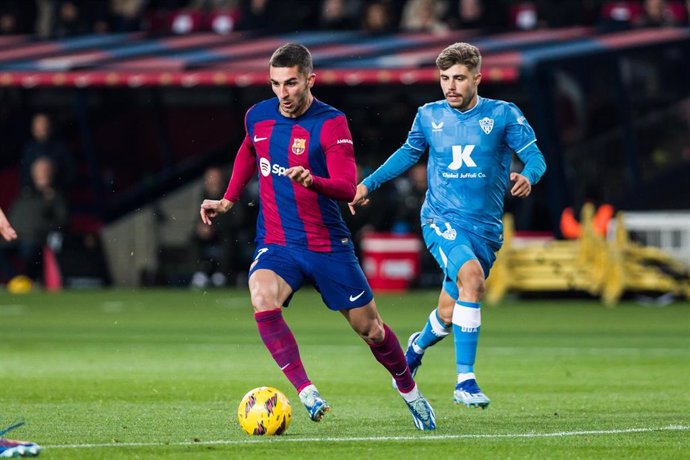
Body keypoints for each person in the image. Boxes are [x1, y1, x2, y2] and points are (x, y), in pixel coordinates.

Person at [199, 43, 435, 430]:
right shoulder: (258, 116)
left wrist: (314, 180)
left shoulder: (331, 123)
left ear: (310, 79)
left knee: (370, 330)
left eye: (291, 83)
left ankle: (409, 390)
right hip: (278, 244)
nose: (283, 93)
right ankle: (306, 391)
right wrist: (228, 199)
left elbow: (346, 186)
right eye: (275, 84)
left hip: (327, 247)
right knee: (260, 294)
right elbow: (248, 148)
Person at [349, 42, 546, 408]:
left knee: (448, 312)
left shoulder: (503, 115)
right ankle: (465, 381)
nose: (450, 85)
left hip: (485, 229)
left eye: (458, 78)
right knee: (473, 280)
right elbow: (408, 153)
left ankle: (416, 347)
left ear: (477, 78)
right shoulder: (428, 115)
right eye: (444, 78)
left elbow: (535, 156)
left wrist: (529, 176)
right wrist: (367, 184)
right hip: (440, 219)